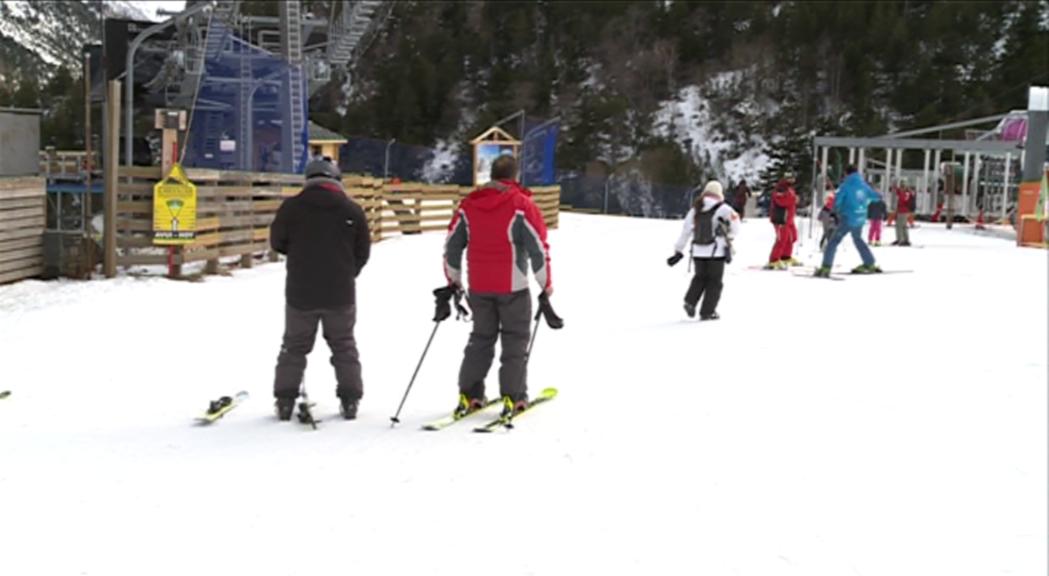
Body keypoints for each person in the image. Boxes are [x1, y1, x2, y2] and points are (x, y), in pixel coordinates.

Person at [442, 154, 554, 418]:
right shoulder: (521, 205)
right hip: (513, 287)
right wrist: (545, 284)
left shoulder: (469, 205)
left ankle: (470, 394)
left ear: (491, 175)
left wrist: (454, 280)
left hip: (479, 286)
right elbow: (538, 247)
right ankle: (514, 396)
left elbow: (452, 245)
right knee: (514, 341)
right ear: (515, 176)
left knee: (480, 339)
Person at [269, 157, 371, 421]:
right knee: (344, 345)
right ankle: (350, 399)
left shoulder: (291, 208)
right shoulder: (351, 210)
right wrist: (349, 272)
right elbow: (363, 251)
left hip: (300, 290)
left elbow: (277, 242)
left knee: (293, 346)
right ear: (336, 179)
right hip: (340, 291)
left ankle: (284, 400)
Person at [667, 181, 740, 320]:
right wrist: (728, 237)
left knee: (699, 277)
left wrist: (678, 250)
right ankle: (708, 311)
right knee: (714, 282)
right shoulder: (724, 209)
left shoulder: (696, 209)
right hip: (716, 252)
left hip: (697, 251)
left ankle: (690, 301)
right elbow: (736, 228)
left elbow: (686, 231)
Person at [815, 165, 881, 277]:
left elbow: (837, 201)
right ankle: (869, 263)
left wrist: (834, 212)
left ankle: (826, 266)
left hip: (847, 218)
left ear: (846, 173)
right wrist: (865, 203)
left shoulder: (845, 186)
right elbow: (876, 196)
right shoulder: (863, 185)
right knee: (858, 239)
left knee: (833, 241)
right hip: (860, 218)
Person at [765, 172, 799, 269]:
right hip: (781, 218)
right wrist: (793, 199)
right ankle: (774, 259)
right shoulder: (781, 188)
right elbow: (781, 200)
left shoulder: (789, 188)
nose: (792, 180)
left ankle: (785, 256)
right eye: (789, 178)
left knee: (792, 237)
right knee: (782, 239)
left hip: (789, 218)